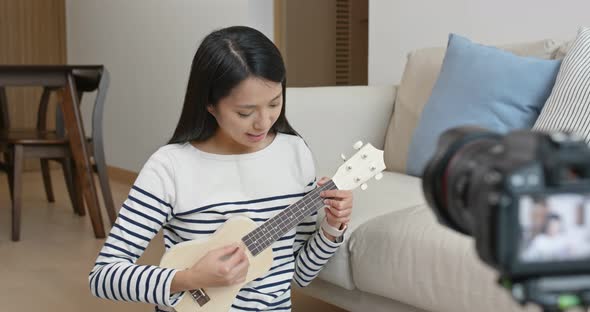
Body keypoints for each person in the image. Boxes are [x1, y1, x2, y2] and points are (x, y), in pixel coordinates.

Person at [88, 26, 353, 312]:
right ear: (209, 104)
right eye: (245, 112)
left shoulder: (295, 152)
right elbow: (103, 276)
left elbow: (300, 274)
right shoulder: (170, 168)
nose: (263, 122)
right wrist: (189, 278)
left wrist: (331, 228)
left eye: (274, 103)